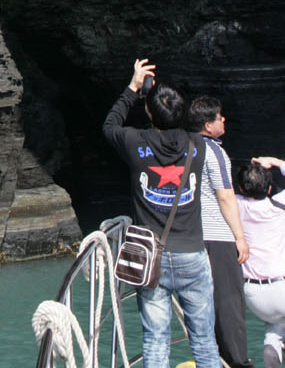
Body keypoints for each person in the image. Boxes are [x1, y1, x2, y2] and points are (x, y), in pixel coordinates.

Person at [103, 58, 244, 368]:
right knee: (204, 339)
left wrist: (134, 89)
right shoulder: (199, 146)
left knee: (155, 339)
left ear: (149, 112)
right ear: (184, 115)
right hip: (192, 254)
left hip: (150, 257)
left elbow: (110, 125)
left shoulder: (134, 142)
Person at [188, 94, 253, 368]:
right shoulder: (214, 151)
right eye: (219, 117)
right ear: (207, 124)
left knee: (201, 303)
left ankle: (210, 359)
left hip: (191, 235)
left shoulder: (183, 147)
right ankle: (237, 362)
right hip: (218, 236)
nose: (223, 120)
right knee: (229, 303)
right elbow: (225, 196)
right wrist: (240, 237)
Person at [236, 157, 285, 368]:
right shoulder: (278, 206)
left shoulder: (234, 205)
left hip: (253, 295)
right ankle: (273, 343)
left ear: (240, 187)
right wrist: (274, 161)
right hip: (281, 286)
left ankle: (272, 343)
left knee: (275, 324)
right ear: (270, 187)